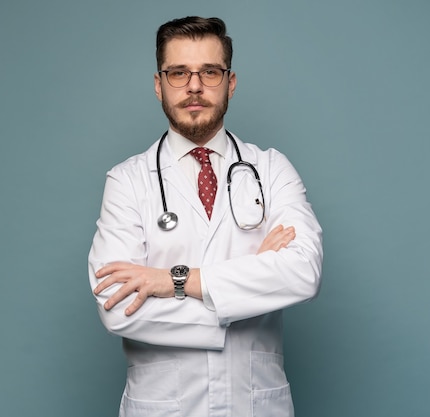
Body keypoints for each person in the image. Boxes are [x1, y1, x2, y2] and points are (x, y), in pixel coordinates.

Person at [88, 16, 323, 417]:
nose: (194, 86)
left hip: (255, 406)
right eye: (178, 73)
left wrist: (173, 282)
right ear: (159, 84)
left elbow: (302, 272)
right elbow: (117, 306)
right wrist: (250, 283)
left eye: (209, 72)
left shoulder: (270, 169)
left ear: (230, 83)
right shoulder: (128, 181)